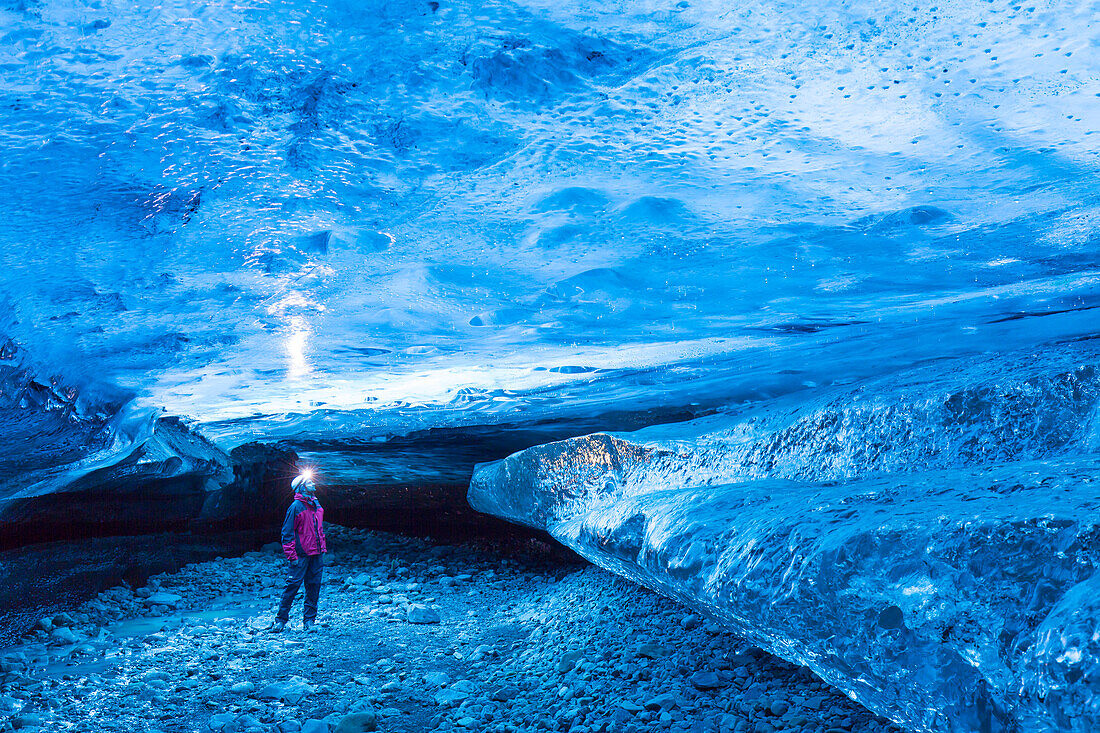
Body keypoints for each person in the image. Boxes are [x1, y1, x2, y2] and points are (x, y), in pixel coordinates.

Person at [271, 471, 327, 633]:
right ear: (302, 487)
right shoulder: (295, 507)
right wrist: (291, 555)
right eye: (309, 482)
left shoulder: (315, 504)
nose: (313, 484)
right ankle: (281, 620)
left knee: (313, 586)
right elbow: (287, 533)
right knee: (293, 586)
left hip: (316, 554)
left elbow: (319, 525)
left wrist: (322, 548)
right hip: (301, 555)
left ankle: (309, 621)